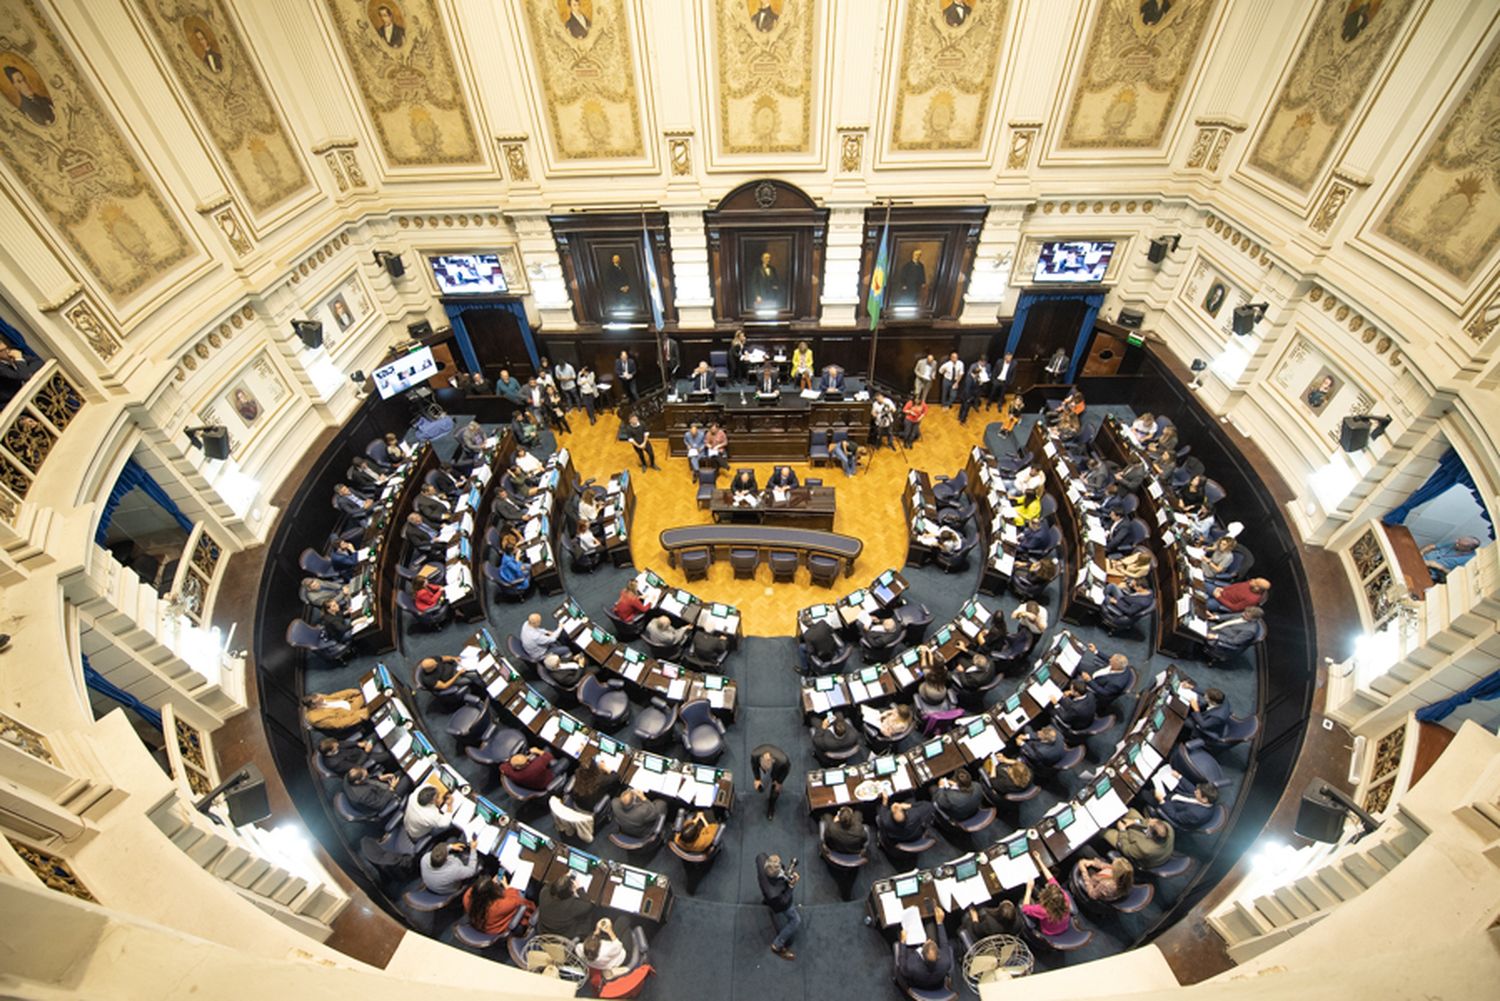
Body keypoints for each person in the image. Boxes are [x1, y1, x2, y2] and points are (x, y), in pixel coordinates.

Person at [895, 907, 953, 992]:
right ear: (938, 955)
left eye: (928, 942)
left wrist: (903, 942)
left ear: (921, 952)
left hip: (918, 985)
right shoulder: (946, 961)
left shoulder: (912, 965)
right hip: (936, 983)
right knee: (930, 924)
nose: (929, 940)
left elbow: (903, 969)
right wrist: (939, 923)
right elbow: (944, 944)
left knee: (900, 932)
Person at [464, 873, 534, 936]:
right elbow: (516, 900)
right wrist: (507, 886)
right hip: (492, 930)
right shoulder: (499, 906)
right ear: (492, 893)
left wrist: (490, 884)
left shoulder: (467, 895)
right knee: (521, 893)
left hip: (478, 922)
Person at [1105, 809, 1175, 869]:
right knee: (1130, 811)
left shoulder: (1145, 849)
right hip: (1150, 841)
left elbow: (1126, 849)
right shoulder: (1167, 827)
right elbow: (1146, 821)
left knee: (1104, 832)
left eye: (1150, 822)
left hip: (1132, 847)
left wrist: (1122, 831)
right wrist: (1134, 821)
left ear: (1150, 834)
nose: (1150, 819)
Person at [1021, 858, 1074, 938]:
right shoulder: (1063, 896)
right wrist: (1039, 860)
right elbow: (1051, 878)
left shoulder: (1043, 910)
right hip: (1063, 926)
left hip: (1048, 932)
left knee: (1025, 899)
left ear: (1046, 900)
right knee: (1036, 889)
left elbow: (1024, 909)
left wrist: (1029, 888)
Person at [1154, 773, 1220, 830]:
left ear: (1204, 799)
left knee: (1146, 794)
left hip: (1170, 806)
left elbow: (1175, 816)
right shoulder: (1208, 799)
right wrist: (1180, 777)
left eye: (1197, 792)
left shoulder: (1194, 814)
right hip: (1177, 797)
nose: (1195, 792)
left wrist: (1161, 801)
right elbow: (1192, 790)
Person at [537, 874, 594, 941]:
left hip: (543, 931)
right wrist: (579, 888)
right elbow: (588, 905)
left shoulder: (544, 892)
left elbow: (549, 885)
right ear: (570, 892)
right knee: (588, 916)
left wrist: (563, 881)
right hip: (560, 937)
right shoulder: (572, 906)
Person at [751, 744, 790, 820]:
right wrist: (757, 779)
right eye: (764, 767)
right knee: (763, 780)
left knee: (775, 790)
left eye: (767, 768)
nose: (766, 769)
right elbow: (754, 766)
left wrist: (779, 782)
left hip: (778, 771)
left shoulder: (783, 761)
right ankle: (762, 786)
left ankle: (771, 807)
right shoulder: (754, 755)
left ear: (772, 761)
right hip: (767, 766)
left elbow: (786, 770)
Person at [417, 655, 481, 700]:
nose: (437, 663)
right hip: (453, 680)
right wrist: (458, 674)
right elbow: (445, 686)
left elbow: (444, 658)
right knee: (472, 677)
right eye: (435, 665)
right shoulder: (429, 680)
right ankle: (482, 688)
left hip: (455, 668)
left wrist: (454, 658)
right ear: (430, 669)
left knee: (473, 666)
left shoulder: (433, 660)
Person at [302, 689, 369, 731]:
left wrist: (351, 692)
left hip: (349, 704)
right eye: (319, 699)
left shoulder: (319, 698)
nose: (322, 697)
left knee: (368, 691)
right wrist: (358, 717)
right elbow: (340, 723)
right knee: (370, 709)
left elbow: (336, 696)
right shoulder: (317, 719)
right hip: (349, 715)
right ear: (313, 705)